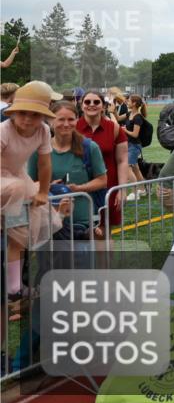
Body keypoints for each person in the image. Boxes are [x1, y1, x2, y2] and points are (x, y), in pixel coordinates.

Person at [1, 82, 71, 299]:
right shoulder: (3, 130)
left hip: (17, 176)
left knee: (23, 230)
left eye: (35, 114)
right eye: (22, 113)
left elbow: (44, 164)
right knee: (18, 188)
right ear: (13, 112)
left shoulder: (43, 131)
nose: (28, 119)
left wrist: (42, 191)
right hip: (4, 178)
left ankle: (14, 287)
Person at [27, 101, 107, 240]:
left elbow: (102, 180)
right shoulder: (38, 150)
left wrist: (78, 188)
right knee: (51, 262)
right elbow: (29, 184)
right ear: (50, 121)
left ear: (77, 120)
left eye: (71, 119)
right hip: (48, 223)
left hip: (82, 223)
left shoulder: (89, 147)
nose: (66, 124)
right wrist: (48, 187)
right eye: (61, 119)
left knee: (82, 261)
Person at [76, 90, 128, 228]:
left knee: (104, 233)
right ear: (81, 106)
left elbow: (122, 161)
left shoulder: (115, 128)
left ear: (103, 106)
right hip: (79, 187)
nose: (91, 105)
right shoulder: (72, 128)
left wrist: (122, 189)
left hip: (108, 187)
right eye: (87, 102)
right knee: (78, 232)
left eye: (96, 102)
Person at [122, 94, 147, 185]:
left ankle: (136, 192)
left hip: (135, 146)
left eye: (128, 101)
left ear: (134, 103)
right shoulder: (129, 114)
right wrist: (113, 112)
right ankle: (144, 189)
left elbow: (135, 134)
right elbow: (117, 118)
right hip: (129, 145)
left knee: (127, 167)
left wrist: (125, 130)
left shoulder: (138, 117)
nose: (127, 102)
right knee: (136, 169)